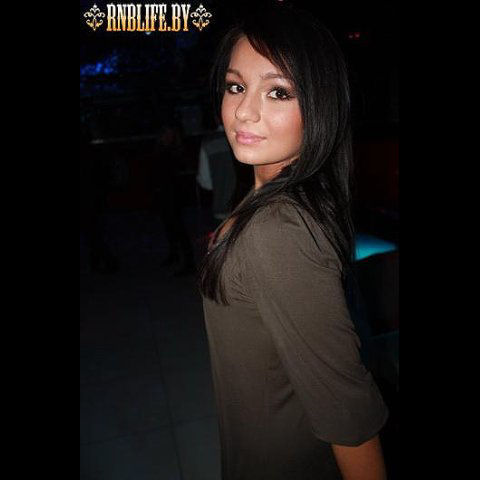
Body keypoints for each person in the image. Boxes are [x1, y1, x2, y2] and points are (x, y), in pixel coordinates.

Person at [197, 4, 389, 480]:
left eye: (278, 92)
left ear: (320, 106)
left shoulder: (278, 232)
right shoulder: (277, 194)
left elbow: (352, 421)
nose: (244, 110)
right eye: (236, 86)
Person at [151, 119, 196, 276]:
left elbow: (182, 171)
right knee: (169, 225)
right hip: (163, 192)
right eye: (165, 134)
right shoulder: (160, 149)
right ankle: (174, 254)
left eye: (170, 134)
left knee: (178, 227)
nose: (167, 136)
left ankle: (189, 261)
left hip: (174, 193)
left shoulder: (175, 150)